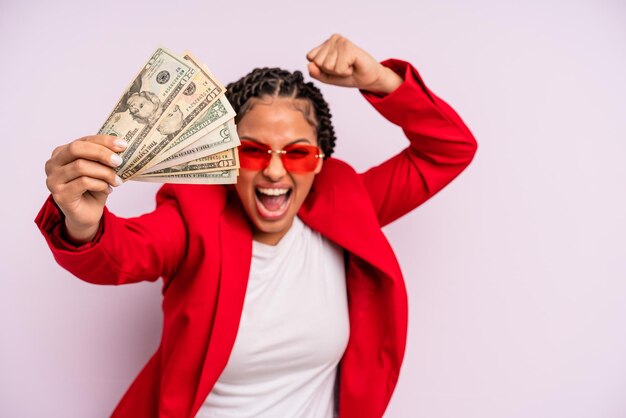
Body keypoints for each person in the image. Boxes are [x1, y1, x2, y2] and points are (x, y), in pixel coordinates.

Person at [36, 34, 478, 418]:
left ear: (320, 161)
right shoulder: (195, 214)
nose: (273, 172)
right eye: (252, 151)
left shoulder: (348, 202)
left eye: (298, 153)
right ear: (224, 156)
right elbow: (121, 255)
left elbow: (449, 149)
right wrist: (82, 221)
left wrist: (381, 80)